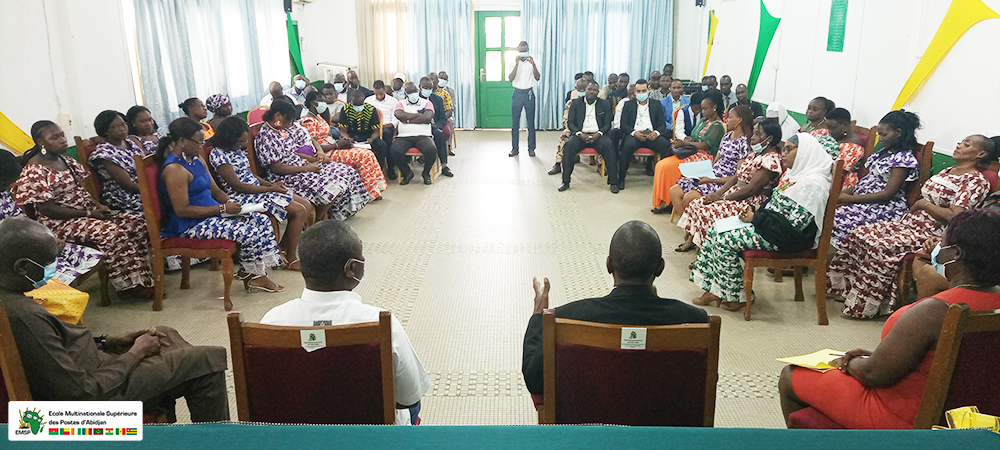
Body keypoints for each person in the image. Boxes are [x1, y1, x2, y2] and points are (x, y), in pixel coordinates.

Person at [779, 209, 1000, 429]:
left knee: (790, 375)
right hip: (974, 416)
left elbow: (874, 375)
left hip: (904, 417)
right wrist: (881, 356)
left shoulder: (937, 310)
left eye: (942, 244)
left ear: (956, 255)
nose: (937, 250)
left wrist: (849, 362)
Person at [0, 217, 229, 422]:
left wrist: (107, 341)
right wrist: (135, 354)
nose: (55, 269)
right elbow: (80, 394)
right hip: (80, 411)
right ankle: (205, 434)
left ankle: (166, 393)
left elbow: (55, 345)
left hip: (89, 367)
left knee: (164, 333)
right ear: (23, 267)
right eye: (49, 263)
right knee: (206, 361)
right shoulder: (22, 317)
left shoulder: (12, 299)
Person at [260, 220, 430, 425]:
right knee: (413, 407)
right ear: (352, 268)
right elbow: (408, 398)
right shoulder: (380, 323)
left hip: (293, 435)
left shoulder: (271, 322)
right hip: (366, 438)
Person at [521, 220, 709, 395]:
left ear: (609, 265)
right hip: (666, 429)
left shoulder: (566, 317)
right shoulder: (695, 320)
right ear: (660, 268)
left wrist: (538, 317)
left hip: (587, 426)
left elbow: (534, 379)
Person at [831, 134, 995, 319]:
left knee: (881, 245)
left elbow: (954, 216)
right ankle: (845, 291)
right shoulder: (948, 170)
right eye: (960, 141)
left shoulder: (975, 181)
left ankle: (866, 306)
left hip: (933, 232)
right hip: (910, 223)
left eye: (967, 144)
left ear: (981, 153)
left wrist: (923, 205)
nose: (959, 145)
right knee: (859, 232)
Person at [691, 133, 833, 311]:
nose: (783, 153)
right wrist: (756, 210)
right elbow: (775, 204)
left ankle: (737, 297)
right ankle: (716, 289)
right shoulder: (796, 176)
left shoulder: (814, 185)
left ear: (805, 152)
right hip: (772, 228)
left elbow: (796, 227)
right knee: (715, 228)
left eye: (789, 149)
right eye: (784, 148)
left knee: (723, 239)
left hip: (785, 238)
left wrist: (757, 218)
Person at [15, 121, 154, 298]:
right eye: (55, 138)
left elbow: (80, 191)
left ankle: (140, 279)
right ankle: (128, 286)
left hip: (86, 214)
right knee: (111, 233)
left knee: (137, 223)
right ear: (41, 142)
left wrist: (97, 207)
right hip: (59, 224)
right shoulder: (34, 170)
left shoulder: (65, 160)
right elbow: (47, 209)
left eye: (62, 135)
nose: (63, 140)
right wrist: (88, 214)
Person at [157, 117, 283, 302]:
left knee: (260, 220)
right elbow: (182, 210)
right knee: (248, 232)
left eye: (202, 142)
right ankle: (255, 276)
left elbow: (215, 190)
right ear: (182, 141)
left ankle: (253, 273)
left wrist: (235, 205)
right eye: (198, 142)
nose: (201, 146)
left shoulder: (197, 159)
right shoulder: (174, 169)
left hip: (212, 213)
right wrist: (222, 208)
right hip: (190, 224)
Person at [209, 117, 311, 270]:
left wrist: (272, 185)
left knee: (306, 204)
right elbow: (238, 185)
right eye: (240, 142)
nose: (243, 145)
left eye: (244, 142)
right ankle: (291, 257)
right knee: (299, 211)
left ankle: (281, 249)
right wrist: (270, 189)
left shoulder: (236, 150)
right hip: (241, 197)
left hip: (257, 190)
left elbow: (251, 176)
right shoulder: (218, 154)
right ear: (229, 138)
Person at [674, 119, 784, 250]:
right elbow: (735, 179)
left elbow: (751, 189)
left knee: (708, 212)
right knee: (697, 204)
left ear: (769, 139)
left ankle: (708, 252)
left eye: (757, 134)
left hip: (750, 201)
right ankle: (701, 246)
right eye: (753, 133)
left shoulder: (770, 160)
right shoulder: (754, 154)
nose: (752, 138)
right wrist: (716, 194)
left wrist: (723, 199)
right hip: (735, 194)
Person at [254, 100, 372, 221]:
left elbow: (294, 152)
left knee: (343, 177)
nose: (290, 124)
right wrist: (306, 168)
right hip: (287, 176)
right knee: (335, 187)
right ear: (278, 116)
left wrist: (312, 161)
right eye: (289, 120)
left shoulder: (280, 130)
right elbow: (276, 168)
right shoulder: (266, 136)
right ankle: (317, 222)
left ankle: (329, 217)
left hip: (301, 167)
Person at [0, 152, 101, 286]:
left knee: (92, 258)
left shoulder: (3, 195)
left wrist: (50, 238)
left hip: (27, 244)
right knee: (63, 277)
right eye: (5, 184)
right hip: (13, 256)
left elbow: (23, 221)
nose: (8, 188)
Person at [829, 110, 921, 248]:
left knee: (833, 218)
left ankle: (838, 260)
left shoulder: (903, 160)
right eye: (879, 134)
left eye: (884, 134)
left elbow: (887, 194)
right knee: (824, 209)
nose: (880, 138)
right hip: (863, 200)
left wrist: (849, 199)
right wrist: (841, 194)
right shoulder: (883, 153)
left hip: (884, 208)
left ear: (898, 133)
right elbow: (866, 181)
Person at [668, 105, 754, 218]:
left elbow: (738, 176)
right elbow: (716, 161)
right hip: (711, 175)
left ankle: (693, 229)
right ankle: (690, 228)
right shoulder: (727, 136)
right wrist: (703, 172)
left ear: (739, 120)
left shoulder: (744, 143)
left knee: (689, 198)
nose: (726, 120)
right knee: (674, 191)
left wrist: (712, 179)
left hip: (722, 181)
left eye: (730, 117)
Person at [313, 90, 389, 195]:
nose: (358, 107)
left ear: (364, 101)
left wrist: (371, 139)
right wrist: (348, 138)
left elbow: (376, 131)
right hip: (352, 137)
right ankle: (359, 179)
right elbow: (343, 131)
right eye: (356, 104)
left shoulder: (371, 110)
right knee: (349, 148)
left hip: (368, 137)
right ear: (351, 101)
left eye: (360, 104)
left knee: (382, 146)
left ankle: (376, 175)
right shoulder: (346, 110)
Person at [649, 91, 710, 212]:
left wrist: (688, 142)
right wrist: (684, 140)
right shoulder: (683, 111)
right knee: (661, 165)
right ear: (692, 105)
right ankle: (663, 200)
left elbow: (705, 143)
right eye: (699, 108)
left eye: (703, 108)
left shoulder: (709, 120)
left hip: (699, 151)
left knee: (670, 167)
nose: (701, 111)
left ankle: (670, 201)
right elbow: (679, 131)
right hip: (688, 147)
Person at [559, 81, 619, 193]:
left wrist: (598, 134)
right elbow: (571, 123)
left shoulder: (605, 104)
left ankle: (613, 182)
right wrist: (579, 134)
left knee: (609, 147)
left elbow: (607, 124)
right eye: (589, 89)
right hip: (580, 135)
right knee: (568, 146)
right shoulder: (576, 103)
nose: (592, 92)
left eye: (595, 90)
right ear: (585, 90)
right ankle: (565, 181)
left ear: (598, 92)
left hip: (598, 135)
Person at [88, 110, 152, 213]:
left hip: (144, 187)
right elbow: (128, 185)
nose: (122, 129)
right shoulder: (105, 153)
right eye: (115, 127)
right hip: (124, 196)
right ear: (105, 131)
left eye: (123, 124)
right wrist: (153, 189)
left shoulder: (129, 142)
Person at [617, 79, 671, 186]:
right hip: (635, 135)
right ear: (635, 92)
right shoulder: (628, 105)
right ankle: (621, 178)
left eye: (643, 91)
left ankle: (664, 180)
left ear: (648, 90)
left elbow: (662, 124)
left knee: (666, 145)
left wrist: (656, 132)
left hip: (652, 135)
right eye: (639, 91)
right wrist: (634, 133)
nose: (641, 93)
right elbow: (623, 125)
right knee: (627, 146)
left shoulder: (657, 104)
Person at [389, 81, 438, 185]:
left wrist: (407, 119)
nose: (413, 94)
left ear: (418, 90)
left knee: (432, 150)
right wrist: (420, 117)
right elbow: (399, 114)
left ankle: (426, 173)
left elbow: (428, 116)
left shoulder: (427, 103)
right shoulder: (400, 103)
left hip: (423, 136)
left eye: (415, 91)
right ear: (406, 93)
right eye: (410, 92)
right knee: (394, 151)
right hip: (403, 137)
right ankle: (407, 173)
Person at [549, 77, 589, 175]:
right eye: (580, 89)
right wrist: (577, 131)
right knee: (564, 135)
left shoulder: (595, 102)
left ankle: (601, 165)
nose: (582, 91)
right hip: (575, 130)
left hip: (591, 130)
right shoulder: (571, 103)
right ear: (576, 89)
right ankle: (558, 164)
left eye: (584, 89)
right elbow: (566, 121)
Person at [821, 107, 867, 190]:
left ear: (845, 125)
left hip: (839, 184)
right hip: (822, 176)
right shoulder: (836, 136)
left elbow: (838, 171)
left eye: (832, 128)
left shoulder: (854, 147)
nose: (829, 131)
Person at [508, 41, 540, 157]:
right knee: (515, 123)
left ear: (528, 49)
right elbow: (511, 78)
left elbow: (537, 77)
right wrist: (517, 64)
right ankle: (515, 149)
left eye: (524, 50)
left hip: (529, 93)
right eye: (521, 50)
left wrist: (534, 65)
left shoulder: (534, 61)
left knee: (530, 123)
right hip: (517, 93)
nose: (523, 52)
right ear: (518, 50)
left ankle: (531, 148)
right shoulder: (513, 62)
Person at [421, 77, 454, 177]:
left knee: (440, 135)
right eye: (425, 88)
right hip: (419, 127)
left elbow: (443, 118)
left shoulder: (437, 99)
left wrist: (437, 126)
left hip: (433, 126)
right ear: (420, 87)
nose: (427, 90)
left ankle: (444, 166)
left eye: (430, 88)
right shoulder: (416, 99)